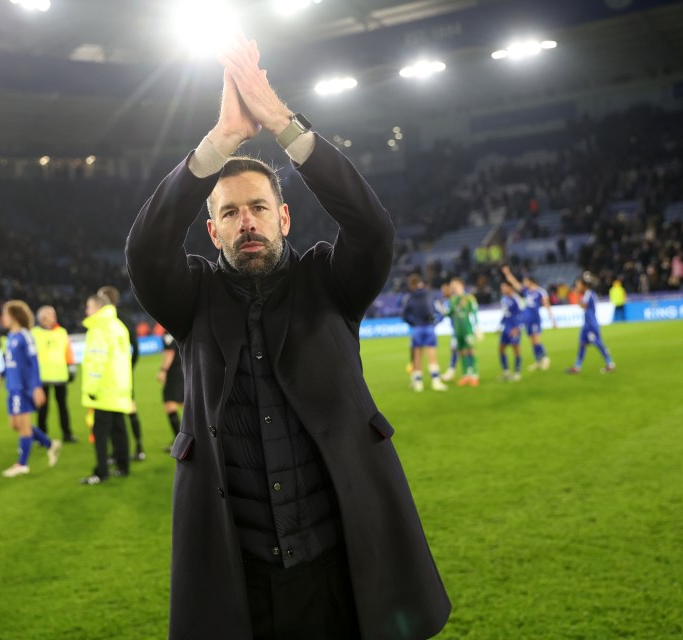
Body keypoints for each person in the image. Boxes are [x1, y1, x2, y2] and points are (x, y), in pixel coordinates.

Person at [124, 34, 450, 640]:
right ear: (214, 231)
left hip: (346, 562)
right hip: (241, 576)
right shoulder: (190, 299)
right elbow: (145, 250)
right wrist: (222, 139)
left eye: (258, 207)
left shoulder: (329, 281)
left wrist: (279, 122)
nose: (246, 221)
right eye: (228, 213)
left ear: (284, 216)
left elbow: (372, 229)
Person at [0, 300, 61, 478]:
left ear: (14, 316)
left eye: (6, 314)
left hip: (23, 388)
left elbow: (34, 363)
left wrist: (36, 387)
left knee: (23, 426)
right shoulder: (10, 337)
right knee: (16, 425)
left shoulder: (25, 335)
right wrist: (0, 376)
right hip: (12, 386)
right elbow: (9, 362)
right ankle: (49, 444)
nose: (3, 318)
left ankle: (22, 464)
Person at [80, 292, 133, 485]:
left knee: (100, 433)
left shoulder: (98, 328)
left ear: (96, 308)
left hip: (103, 389)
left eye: (88, 307)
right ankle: (123, 467)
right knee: (119, 429)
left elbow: (96, 362)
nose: (86, 311)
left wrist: (91, 389)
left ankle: (101, 472)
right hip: (119, 386)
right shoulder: (118, 326)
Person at [97, 285, 146, 461]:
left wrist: (126, 368)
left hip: (118, 375)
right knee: (119, 412)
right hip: (119, 374)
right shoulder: (121, 318)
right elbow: (136, 348)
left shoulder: (118, 319)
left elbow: (135, 347)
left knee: (126, 410)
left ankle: (138, 448)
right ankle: (123, 451)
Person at [31, 306, 77, 443]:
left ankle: (67, 434)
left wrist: (71, 367)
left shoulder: (62, 332)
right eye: (51, 314)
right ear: (43, 318)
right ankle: (42, 436)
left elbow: (68, 351)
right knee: (43, 409)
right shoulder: (34, 333)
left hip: (60, 376)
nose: (54, 316)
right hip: (42, 377)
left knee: (63, 407)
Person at [502, 266, 556, 371]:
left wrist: (553, 320)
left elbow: (547, 305)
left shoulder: (541, 292)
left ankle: (545, 358)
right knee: (532, 342)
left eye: (525, 281)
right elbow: (515, 283)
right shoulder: (527, 291)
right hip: (527, 320)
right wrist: (507, 273)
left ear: (531, 281)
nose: (524, 282)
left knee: (536, 341)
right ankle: (538, 361)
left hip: (535, 319)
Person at [402, 273, 447, 392]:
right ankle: (436, 381)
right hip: (429, 327)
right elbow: (441, 311)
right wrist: (436, 321)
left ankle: (418, 383)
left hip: (417, 328)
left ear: (411, 285)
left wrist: (413, 323)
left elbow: (404, 315)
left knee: (417, 354)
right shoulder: (430, 294)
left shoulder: (409, 297)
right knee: (432, 354)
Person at [566, 273, 616, 374]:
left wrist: (576, 294)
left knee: (598, 343)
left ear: (584, 285)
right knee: (582, 344)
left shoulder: (589, 293)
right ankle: (577, 367)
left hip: (591, 324)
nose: (577, 286)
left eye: (579, 284)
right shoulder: (587, 294)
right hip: (586, 324)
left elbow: (583, 306)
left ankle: (610, 363)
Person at [446, 278, 481, 387]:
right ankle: (465, 375)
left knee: (471, 350)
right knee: (462, 352)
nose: (452, 288)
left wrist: (477, 328)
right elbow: (450, 313)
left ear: (461, 286)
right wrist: (442, 311)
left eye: (454, 286)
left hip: (467, 329)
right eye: (451, 286)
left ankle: (474, 375)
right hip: (458, 331)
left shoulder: (469, 298)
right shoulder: (452, 300)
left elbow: (474, 313)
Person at [156, 327, 184, 452]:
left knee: (169, 403)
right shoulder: (180, 328)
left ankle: (179, 441)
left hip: (175, 373)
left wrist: (163, 370)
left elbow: (169, 353)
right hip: (185, 370)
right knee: (186, 404)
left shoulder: (168, 333)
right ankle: (194, 436)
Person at [498, 281, 525, 381]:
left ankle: (517, 373)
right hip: (506, 327)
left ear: (510, 288)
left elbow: (522, 314)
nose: (502, 290)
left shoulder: (516, 298)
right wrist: (500, 325)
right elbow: (505, 314)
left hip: (514, 327)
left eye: (504, 287)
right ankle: (506, 372)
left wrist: (517, 327)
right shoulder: (503, 299)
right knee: (501, 350)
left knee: (516, 350)